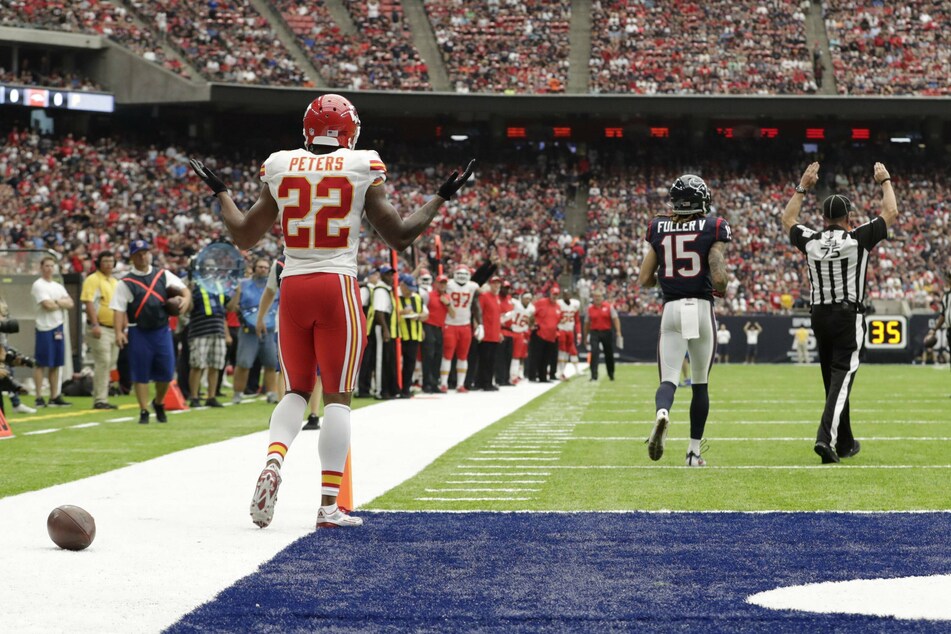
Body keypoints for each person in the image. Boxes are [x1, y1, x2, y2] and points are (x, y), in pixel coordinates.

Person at [189, 92, 474, 529]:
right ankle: (327, 506)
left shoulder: (280, 164)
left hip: (294, 284)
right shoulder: (362, 165)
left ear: (307, 128)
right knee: (338, 396)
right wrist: (440, 197)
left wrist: (222, 192)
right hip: (336, 283)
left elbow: (245, 236)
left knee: (295, 391)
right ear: (350, 130)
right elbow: (399, 236)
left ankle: (274, 460)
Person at [783, 162, 898, 463]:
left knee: (833, 381)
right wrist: (885, 180)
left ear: (823, 217)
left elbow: (787, 218)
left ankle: (845, 442)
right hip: (848, 315)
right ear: (849, 218)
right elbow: (891, 213)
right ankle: (825, 439)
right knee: (842, 378)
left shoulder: (811, 240)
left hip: (819, 315)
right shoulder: (857, 238)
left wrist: (802, 185)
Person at [637, 174, 731, 467]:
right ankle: (693, 453)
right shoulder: (714, 226)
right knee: (700, 384)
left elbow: (644, 279)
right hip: (701, 309)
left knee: (668, 379)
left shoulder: (658, 227)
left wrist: (665, 279)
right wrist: (719, 288)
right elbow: (719, 278)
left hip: (672, 309)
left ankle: (662, 413)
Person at [111, 239, 192, 424]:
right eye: (138, 254)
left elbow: (184, 290)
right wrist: (118, 332)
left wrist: (184, 302)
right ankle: (144, 410)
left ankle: (159, 402)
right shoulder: (126, 283)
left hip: (161, 330)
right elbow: (118, 309)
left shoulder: (163, 275)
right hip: (138, 330)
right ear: (132, 257)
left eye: (145, 252)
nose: (143, 256)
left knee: (166, 372)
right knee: (140, 374)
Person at [260, 255, 321, 429]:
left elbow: (270, 292)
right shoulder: (316, 258)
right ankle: (311, 414)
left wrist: (260, 317)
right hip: (302, 320)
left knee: (289, 369)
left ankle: (291, 413)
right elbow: (270, 291)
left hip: (293, 320)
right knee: (291, 369)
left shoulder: (280, 263)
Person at [231, 258, 280, 405]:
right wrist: (237, 294)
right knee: (243, 363)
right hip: (248, 330)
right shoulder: (243, 284)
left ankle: (271, 393)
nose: (263, 270)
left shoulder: (274, 285)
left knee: (271, 363)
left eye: (266, 268)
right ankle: (238, 393)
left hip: (269, 330)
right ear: (254, 268)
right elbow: (231, 308)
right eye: (260, 267)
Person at [31, 255, 75, 408]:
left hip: (58, 327)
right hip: (44, 327)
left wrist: (56, 302)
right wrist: (59, 303)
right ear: (41, 268)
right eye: (47, 266)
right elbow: (46, 305)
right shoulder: (38, 285)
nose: (49, 269)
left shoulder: (57, 286)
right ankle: (38, 396)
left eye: (52, 266)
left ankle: (54, 395)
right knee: (41, 363)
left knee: (56, 364)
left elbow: (70, 303)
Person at [81, 251, 120, 409]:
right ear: (99, 263)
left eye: (111, 261)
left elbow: (119, 306)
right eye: (105, 261)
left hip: (113, 327)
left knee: (110, 363)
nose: (109, 264)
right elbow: (89, 302)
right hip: (100, 327)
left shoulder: (114, 281)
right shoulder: (93, 279)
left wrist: (120, 329)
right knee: (103, 361)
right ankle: (100, 399)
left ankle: (102, 395)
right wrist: (95, 324)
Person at [186, 277, 231, 408]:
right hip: (200, 330)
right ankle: (194, 397)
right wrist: (189, 292)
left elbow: (230, 308)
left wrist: (238, 292)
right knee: (197, 365)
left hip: (218, 330)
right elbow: (189, 308)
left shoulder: (219, 286)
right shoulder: (195, 285)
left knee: (215, 365)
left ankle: (211, 396)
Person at [440, 264, 481, 393]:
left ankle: (460, 384)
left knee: (463, 356)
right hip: (450, 323)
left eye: (465, 274)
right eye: (460, 274)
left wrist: (480, 323)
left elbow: (476, 305)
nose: (462, 277)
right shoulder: (449, 284)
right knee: (447, 355)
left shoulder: (473, 287)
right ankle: (444, 384)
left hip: (465, 325)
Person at [393, 273, 427, 398]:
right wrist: (401, 312)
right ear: (402, 286)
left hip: (414, 334)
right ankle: (396, 387)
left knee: (410, 363)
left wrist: (419, 317)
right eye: (408, 289)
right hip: (399, 335)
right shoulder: (395, 297)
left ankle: (406, 388)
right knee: (397, 363)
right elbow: (389, 313)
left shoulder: (417, 298)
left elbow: (425, 314)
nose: (410, 292)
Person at [583, 287, 622, 381]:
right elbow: (587, 323)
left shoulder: (609, 306)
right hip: (594, 332)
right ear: (593, 298)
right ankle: (594, 375)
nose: (597, 298)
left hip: (606, 332)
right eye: (596, 297)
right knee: (594, 352)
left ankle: (611, 373)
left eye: (599, 296)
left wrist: (618, 331)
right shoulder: (590, 309)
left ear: (602, 297)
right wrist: (585, 336)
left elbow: (615, 318)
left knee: (609, 354)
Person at [421, 273, 452, 393]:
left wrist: (447, 304)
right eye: (441, 283)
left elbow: (453, 314)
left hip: (440, 328)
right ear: (436, 284)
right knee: (428, 355)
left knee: (438, 356)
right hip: (428, 326)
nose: (443, 285)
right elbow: (422, 310)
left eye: (444, 283)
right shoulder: (428, 296)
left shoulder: (447, 297)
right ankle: (426, 383)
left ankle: (434, 383)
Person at [371, 266, 397, 399]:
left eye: (392, 275)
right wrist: (385, 329)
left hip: (387, 326)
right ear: (381, 276)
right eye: (388, 275)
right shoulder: (380, 290)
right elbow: (378, 312)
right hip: (382, 326)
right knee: (380, 359)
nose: (391, 277)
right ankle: (380, 390)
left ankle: (388, 388)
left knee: (387, 359)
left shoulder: (386, 289)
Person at [356, 268, 380, 398]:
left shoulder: (373, 290)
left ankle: (366, 387)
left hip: (370, 329)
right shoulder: (366, 289)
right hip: (366, 329)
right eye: (375, 275)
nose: (377, 277)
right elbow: (360, 305)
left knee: (369, 360)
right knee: (365, 360)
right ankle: (362, 388)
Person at [530, 285, 562, 382]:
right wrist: (532, 324)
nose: (554, 296)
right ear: (550, 294)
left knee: (546, 357)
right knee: (536, 356)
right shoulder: (541, 302)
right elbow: (530, 312)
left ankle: (543, 377)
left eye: (556, 295)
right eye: (553, 294)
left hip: (551, 336)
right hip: (539, 334)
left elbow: (558, 320)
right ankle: (532, 376)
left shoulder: (558, 307)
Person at [476, 276, 502, 391]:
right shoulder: (484, 297)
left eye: (498, 284)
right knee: (485, 359)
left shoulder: (497, 298)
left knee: (492, 360)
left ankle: (488, 381)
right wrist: (479, 328)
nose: (496, 286)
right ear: (490, 284)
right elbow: (479, 312)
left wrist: (499, 332)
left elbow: (497, 317)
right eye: (494, 283)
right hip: (486, 334)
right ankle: (484, 382)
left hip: (494, 334)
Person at [555, 288, 582, 380]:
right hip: (561, 329)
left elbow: (577, 320)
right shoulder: (558, 304)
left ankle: (562, 372)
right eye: (565, 294)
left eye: (568, 294)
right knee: (562, 351)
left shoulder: (575, 304)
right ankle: (560, 372)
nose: (566, 296)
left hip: (570, 330)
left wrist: (578, 333)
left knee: (568, 351)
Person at [509, 291, 533, 383]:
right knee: (509, 356)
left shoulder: (531, 308)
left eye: (530, 299)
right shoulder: (515, 303)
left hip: (521, 333)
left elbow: (531, 321)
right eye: (527, 298)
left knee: (518, 355)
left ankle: (515, 375)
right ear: (521, 298)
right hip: (511, 331)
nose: (528, 300)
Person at [495, 281, 515, 386]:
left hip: (510, 331)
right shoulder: (497, 298)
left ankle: (506, 378)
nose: (506, 290)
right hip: (501, 329)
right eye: (504, 288)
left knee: (508, 356)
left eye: (507, 288)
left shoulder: (509, 299)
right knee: (500, 357)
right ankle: (499, 378)